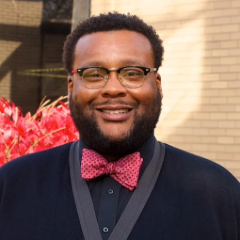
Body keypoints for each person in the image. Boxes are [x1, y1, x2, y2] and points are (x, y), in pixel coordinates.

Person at [0, 12, 240, 240]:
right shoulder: (10, 186)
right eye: (94, 74)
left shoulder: (221, 193)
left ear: (157, 85)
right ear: (72, 87)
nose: (113, 88)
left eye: (133, 73)